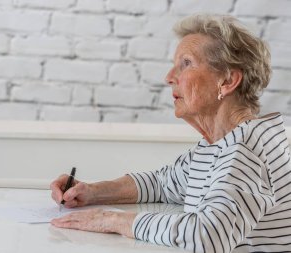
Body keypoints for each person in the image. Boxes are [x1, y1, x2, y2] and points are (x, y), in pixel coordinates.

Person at [50, 14, 291, 253]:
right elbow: (163, 184)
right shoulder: (220, 144)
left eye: (186, 63)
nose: (169, 77)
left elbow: (209, 235)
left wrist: (112, 220)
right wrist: (92, 192)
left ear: (227, 81)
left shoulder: (246, 149)